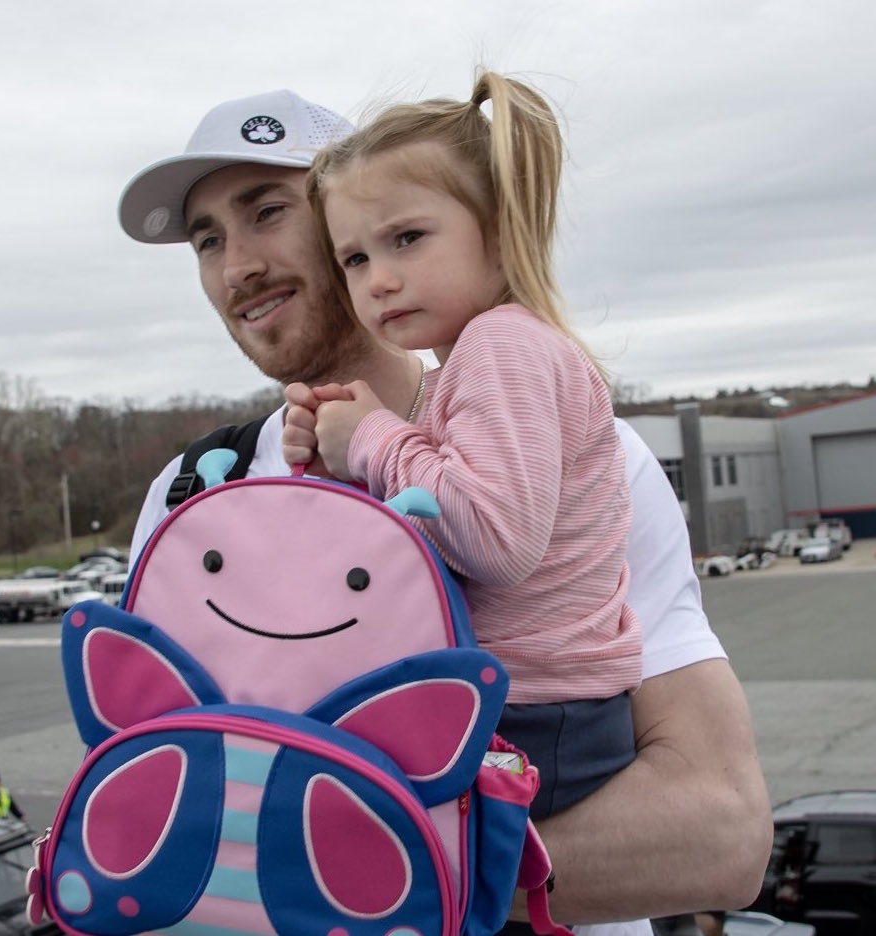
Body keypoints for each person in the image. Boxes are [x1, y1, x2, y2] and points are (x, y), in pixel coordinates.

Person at [119, 88, 772, 933]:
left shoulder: (584, 455)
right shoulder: (192, 494)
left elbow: (718, 834)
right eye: (207, 239)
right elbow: (169, 793)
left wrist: (344, 886)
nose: (236, 263)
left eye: (267, 212)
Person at [286, 71, 642, 830]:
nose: (379, 280)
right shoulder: (484, 355)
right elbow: (443, 523)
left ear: (500, 224)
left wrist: (376, 437)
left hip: (536, 716)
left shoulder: (499, 345)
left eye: (407, 238)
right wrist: (340, 461)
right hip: (542, 709)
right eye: (353, 259)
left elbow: (494, 539)